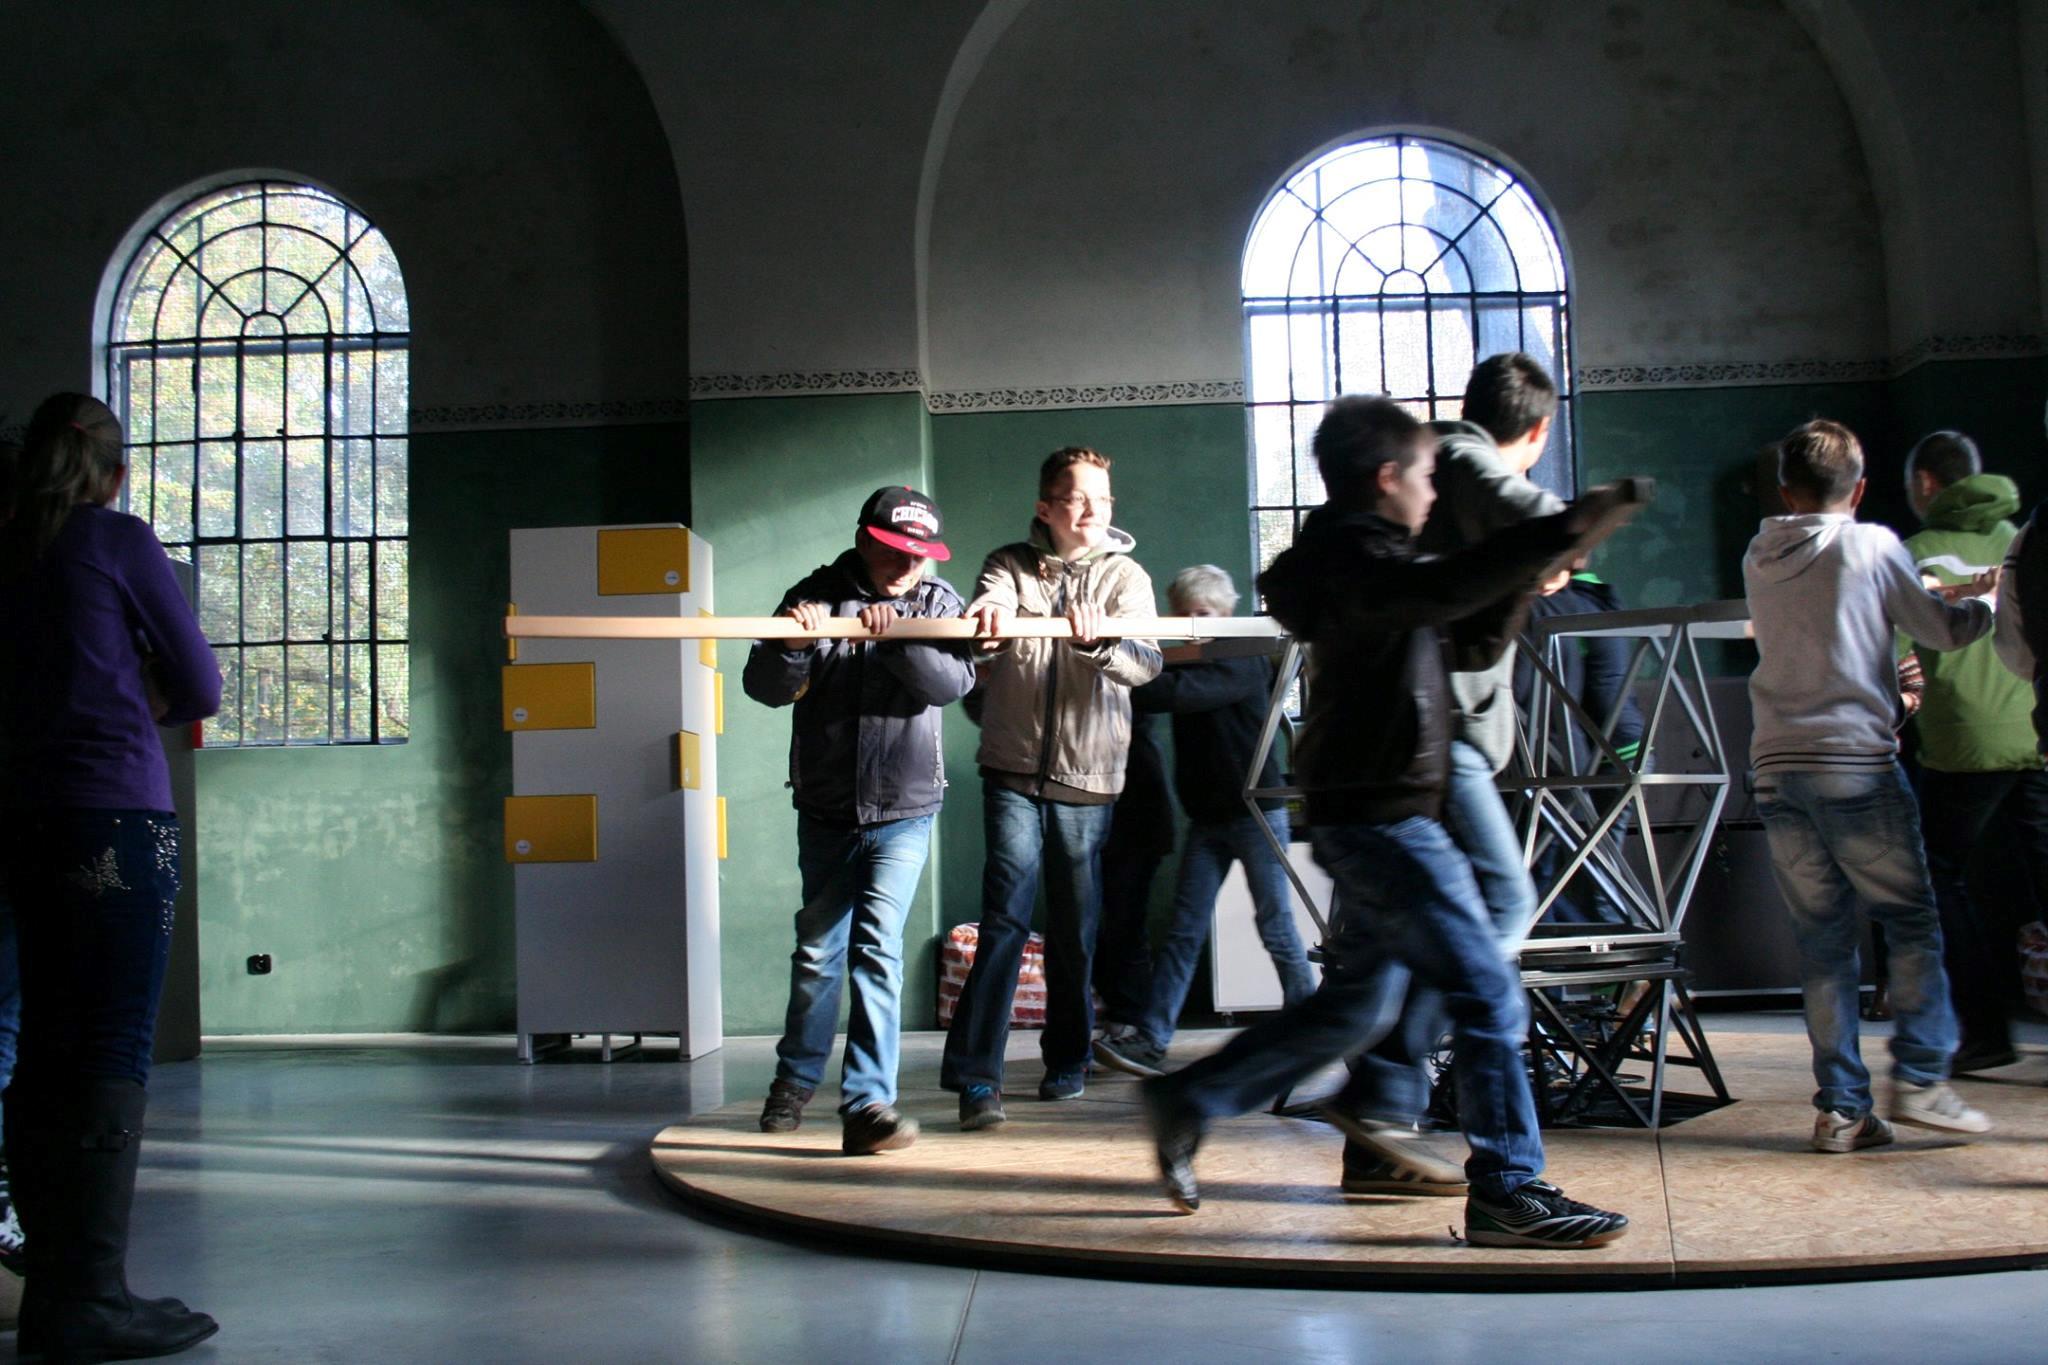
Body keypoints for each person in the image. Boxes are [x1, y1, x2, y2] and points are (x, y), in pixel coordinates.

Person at [1140, 395, 1636, 1249]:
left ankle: (1190, 1095)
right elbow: (1433, 593)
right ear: (1385, 477)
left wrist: (1529, 575)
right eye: (1426, 476)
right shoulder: (1350, 561)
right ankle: (1508, 1187)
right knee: (1487, 987)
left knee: (1351, 1011)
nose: (1435, 492)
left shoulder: (1373, 560)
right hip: (1382, 815)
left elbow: (1466, 641)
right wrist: (1551, 535)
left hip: (1381, 809)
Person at [0, 393, 222, 1358]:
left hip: (19, 819)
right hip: (115, 819)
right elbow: (202, 686)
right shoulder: (116, 541)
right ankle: (90, 1297)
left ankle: (51, 1290)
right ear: (115, 469)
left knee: (42, 1047)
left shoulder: (8, 551)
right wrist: (138, 682)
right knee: (112, 1045)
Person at [1325, 353, 1566, 1198]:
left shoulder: (1441, 472)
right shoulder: (1466, 456)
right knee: (1499, 905)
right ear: (1540, 429)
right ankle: (1394, 1088)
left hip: (1428, 733)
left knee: (1405, 934)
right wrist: (1560, 535)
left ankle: (1379, 1129)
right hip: (1444, 733)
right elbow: (1539, 513)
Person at [1743, 419, 1994, 1154]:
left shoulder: (1760, 553)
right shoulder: (1874, 544)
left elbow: (1843, 593)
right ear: (1859, 491)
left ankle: (1843, 1110)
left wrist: (1934, 587)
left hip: (1777, 770)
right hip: (1854, 764)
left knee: (1823, 945)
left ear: (1785, 490)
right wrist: (1989, 603)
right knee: (1910, 922)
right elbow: (1941, 630)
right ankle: (1920, 1077)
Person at [742, 487, 978, 1155]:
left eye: (920, 554)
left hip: (905, 808)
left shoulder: (938, 601)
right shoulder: (813, 594)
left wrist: (896, 639)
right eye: (897, 551)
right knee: (819, 951)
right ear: (865, 540)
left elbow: (952, 685)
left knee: (877, 950)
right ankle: (793, 1082)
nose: (910, 565)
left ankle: (868, 1104)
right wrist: (795, 643)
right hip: (826, 807)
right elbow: (764, 687)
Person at [940, 447, 1162, 1128]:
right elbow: (989, 613)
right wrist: (986, 625)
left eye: (1103, 497)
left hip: (1090, 777)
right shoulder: (1007, 563)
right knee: (1005, 918)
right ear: (1046, 507)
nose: (1093, 509)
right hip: (1011, 768)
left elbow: (1145, 664)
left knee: (1075, 926)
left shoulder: (1126, 576)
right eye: (1077, 497)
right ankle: (978, 1078)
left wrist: (1098, 646)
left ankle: (1068, 1056)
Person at [1092, 565, 1313, 1078]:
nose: (1194, 623)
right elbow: (1170, 687)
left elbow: (1175, 694)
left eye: (1204, 614)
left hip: (1256, 816)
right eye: (1185, 615)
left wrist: (1113, 666)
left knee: (1277, 928)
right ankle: (1152, 1040)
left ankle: (1308, 1034)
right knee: (1183, 933)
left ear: (1225, 613)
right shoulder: (1189, 661)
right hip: (1209, 820)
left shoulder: (1244, 658)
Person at [1895, 431, 2047, 1073]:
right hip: (2034, 732)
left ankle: (1983, 1032)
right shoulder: (2022, 538)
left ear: (1926, 484)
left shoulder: (1913, 553)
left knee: (1937, 875)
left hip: (1962, 742)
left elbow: (1895, 652)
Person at [1090, 710, 1173, 1050]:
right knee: (1111, 925)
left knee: (1124, 923)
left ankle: (1129, 1018)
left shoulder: (1131, 721)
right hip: (1122, 816)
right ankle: (1124, 1016)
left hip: (1135, 819)